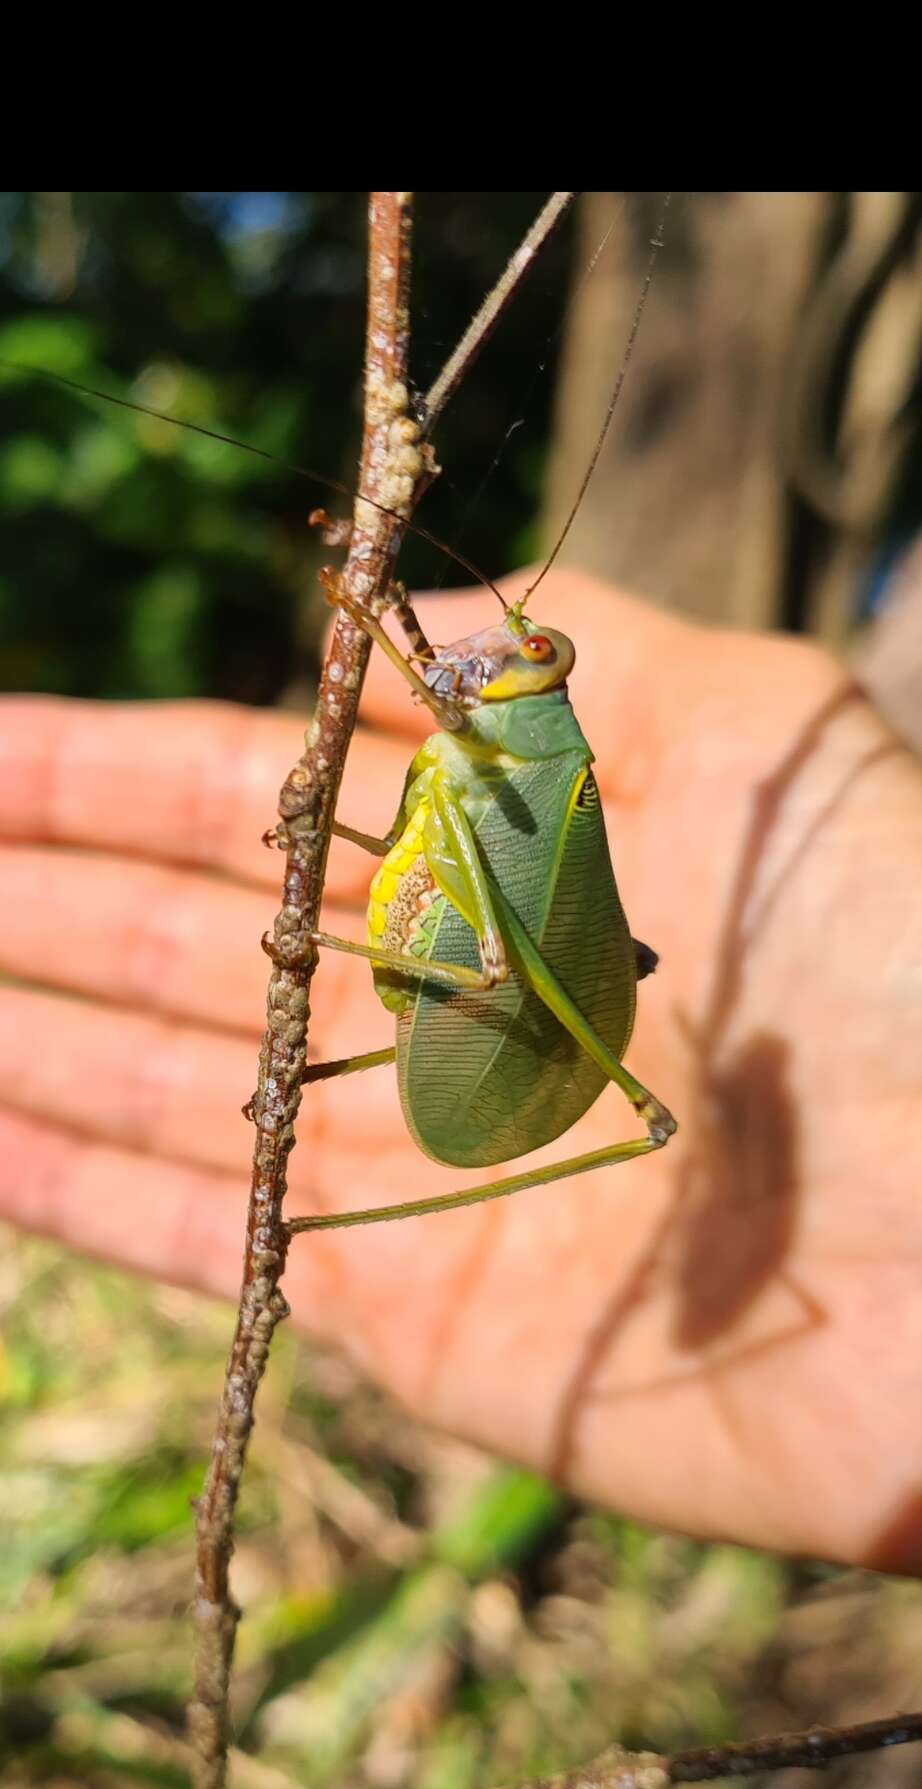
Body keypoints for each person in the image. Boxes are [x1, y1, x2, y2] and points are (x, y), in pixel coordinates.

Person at [2, 567, 921, 1575]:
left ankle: (320, 1217)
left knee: (516, 980)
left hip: (471, 938)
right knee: (478, 903)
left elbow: (448, 849)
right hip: (448, 904)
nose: (497, 651)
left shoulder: (529, 753)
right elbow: (417, 825)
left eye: (532, 651)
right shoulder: (481, 740)